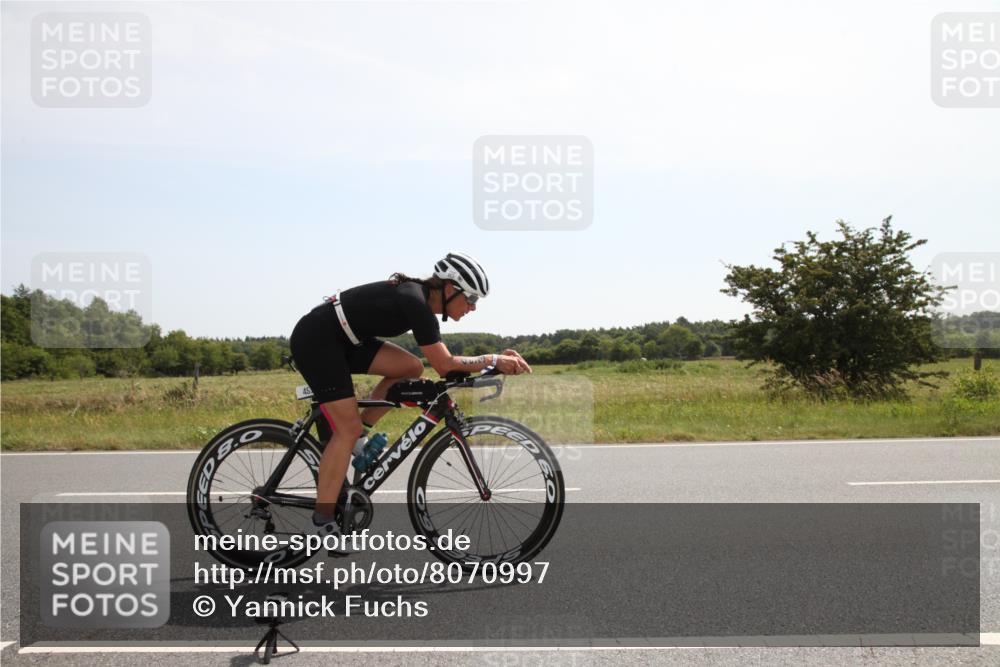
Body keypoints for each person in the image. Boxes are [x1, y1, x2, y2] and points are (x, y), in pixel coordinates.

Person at [288, 251, 531, 549]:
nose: (472, 307)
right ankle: (322, 521)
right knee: (345, 429)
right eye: (471, 299)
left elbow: (439, 364)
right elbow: (445, 364)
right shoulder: (414, 300)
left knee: (410, 368)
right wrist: (492, 359)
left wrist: (490, 362)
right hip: (318, 339)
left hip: (345, 340)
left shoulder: (423, 303)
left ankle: (359, 436)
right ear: (450, 288)